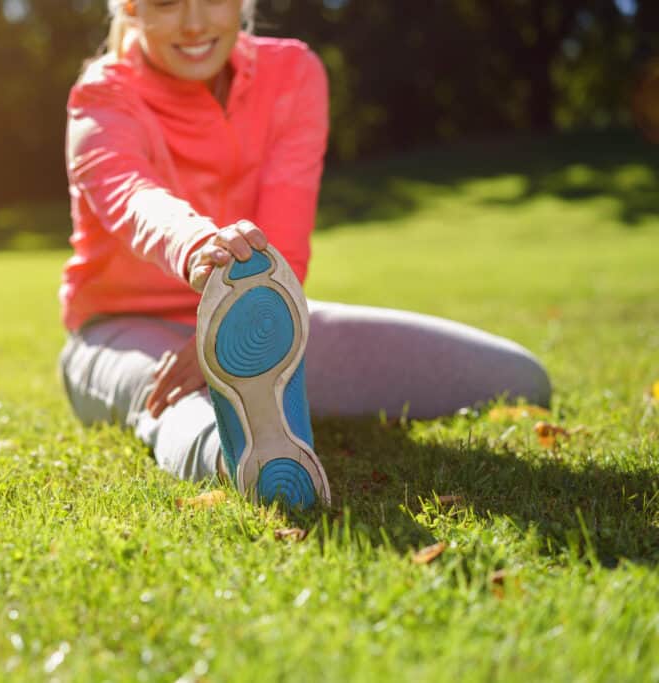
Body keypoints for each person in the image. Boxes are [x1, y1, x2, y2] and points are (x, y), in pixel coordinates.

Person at [58, 0, 551, 507]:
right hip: (120, 332)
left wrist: (246, 320)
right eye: (166, 3)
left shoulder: (291, 73)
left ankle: (257, 389)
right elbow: (131, 196)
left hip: (260, 322)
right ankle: (245, 463)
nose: (194, 22)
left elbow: (284, 240)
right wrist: (200, 246)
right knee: (171, 400)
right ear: (132, 9)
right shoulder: (102, 97)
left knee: (517, 379)